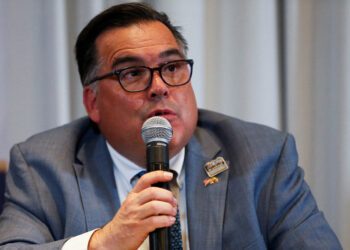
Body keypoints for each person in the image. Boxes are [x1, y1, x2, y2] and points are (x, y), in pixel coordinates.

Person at [0, 2, 342, 250]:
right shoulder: (40, 167)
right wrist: (101, 245)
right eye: (133, 73)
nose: (160, 86)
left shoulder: (262, 157)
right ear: (93, 102)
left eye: (172, 67)